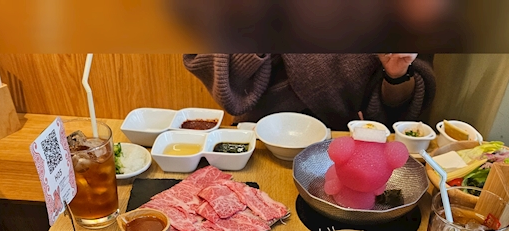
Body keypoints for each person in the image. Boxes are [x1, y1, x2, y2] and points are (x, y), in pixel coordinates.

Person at [182, 54, 436, 130]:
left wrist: (396, 73)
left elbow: (403, 113)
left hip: (348, 138)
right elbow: (211, 65)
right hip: (260, 132)